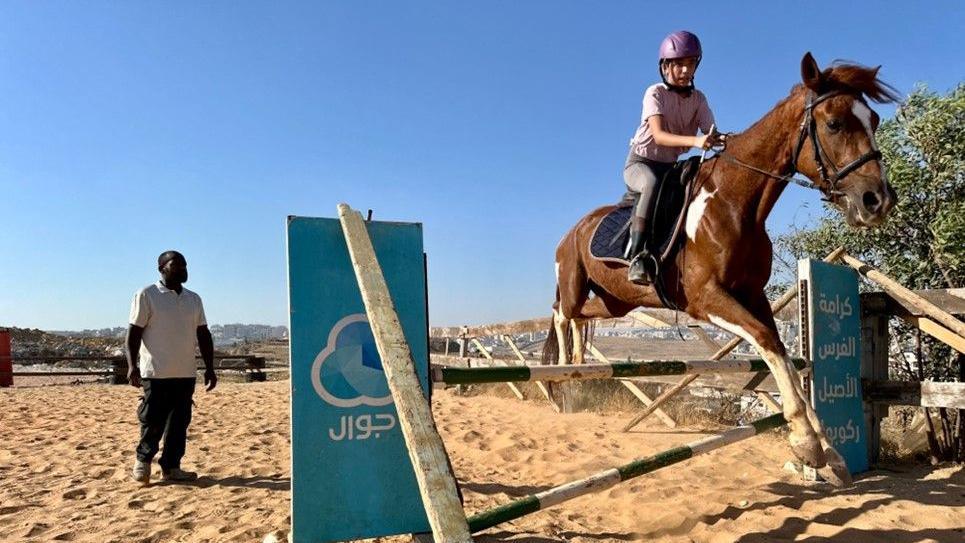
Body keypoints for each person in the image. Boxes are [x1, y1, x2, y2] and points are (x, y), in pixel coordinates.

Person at [624, 30, 723, 285]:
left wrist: (729, 141)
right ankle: (637, 256)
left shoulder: (699, 99)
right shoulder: (654, 93)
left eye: (690, 64)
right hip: (641, 164)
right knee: (650, 184)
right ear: (665, 66)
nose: (685, 70)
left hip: (669, 167)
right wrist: (696, 142)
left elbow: (712, 133)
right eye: (679, 64)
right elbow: (658, 136)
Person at [127, 250, 216, 484]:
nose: (183, 269)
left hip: (185, 373)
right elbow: (134, 333)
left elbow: (203, 334)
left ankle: (171, 467)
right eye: (177, 265)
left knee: (179, 423)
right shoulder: (147, 295)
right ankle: (143, 462)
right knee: (152, 420)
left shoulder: (193, 299)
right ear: (162, 268)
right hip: (155, 372)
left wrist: (210, 367)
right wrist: (131, 366)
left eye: (185, 265)